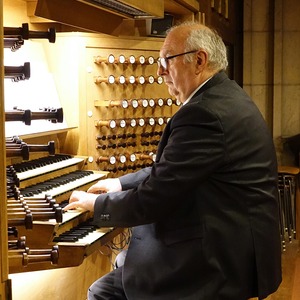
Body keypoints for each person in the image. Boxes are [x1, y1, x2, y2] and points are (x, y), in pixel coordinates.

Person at [64, 22, 282, 300]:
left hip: (216, 261)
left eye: (167, 59)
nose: (159, 72)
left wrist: (97, 206)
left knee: (104, 291)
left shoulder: (204, 114)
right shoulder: (224, 96)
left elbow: (153, 200)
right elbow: (170, 170)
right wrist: (119, 183)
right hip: (231, 243)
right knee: (123, 265)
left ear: (199, 60)